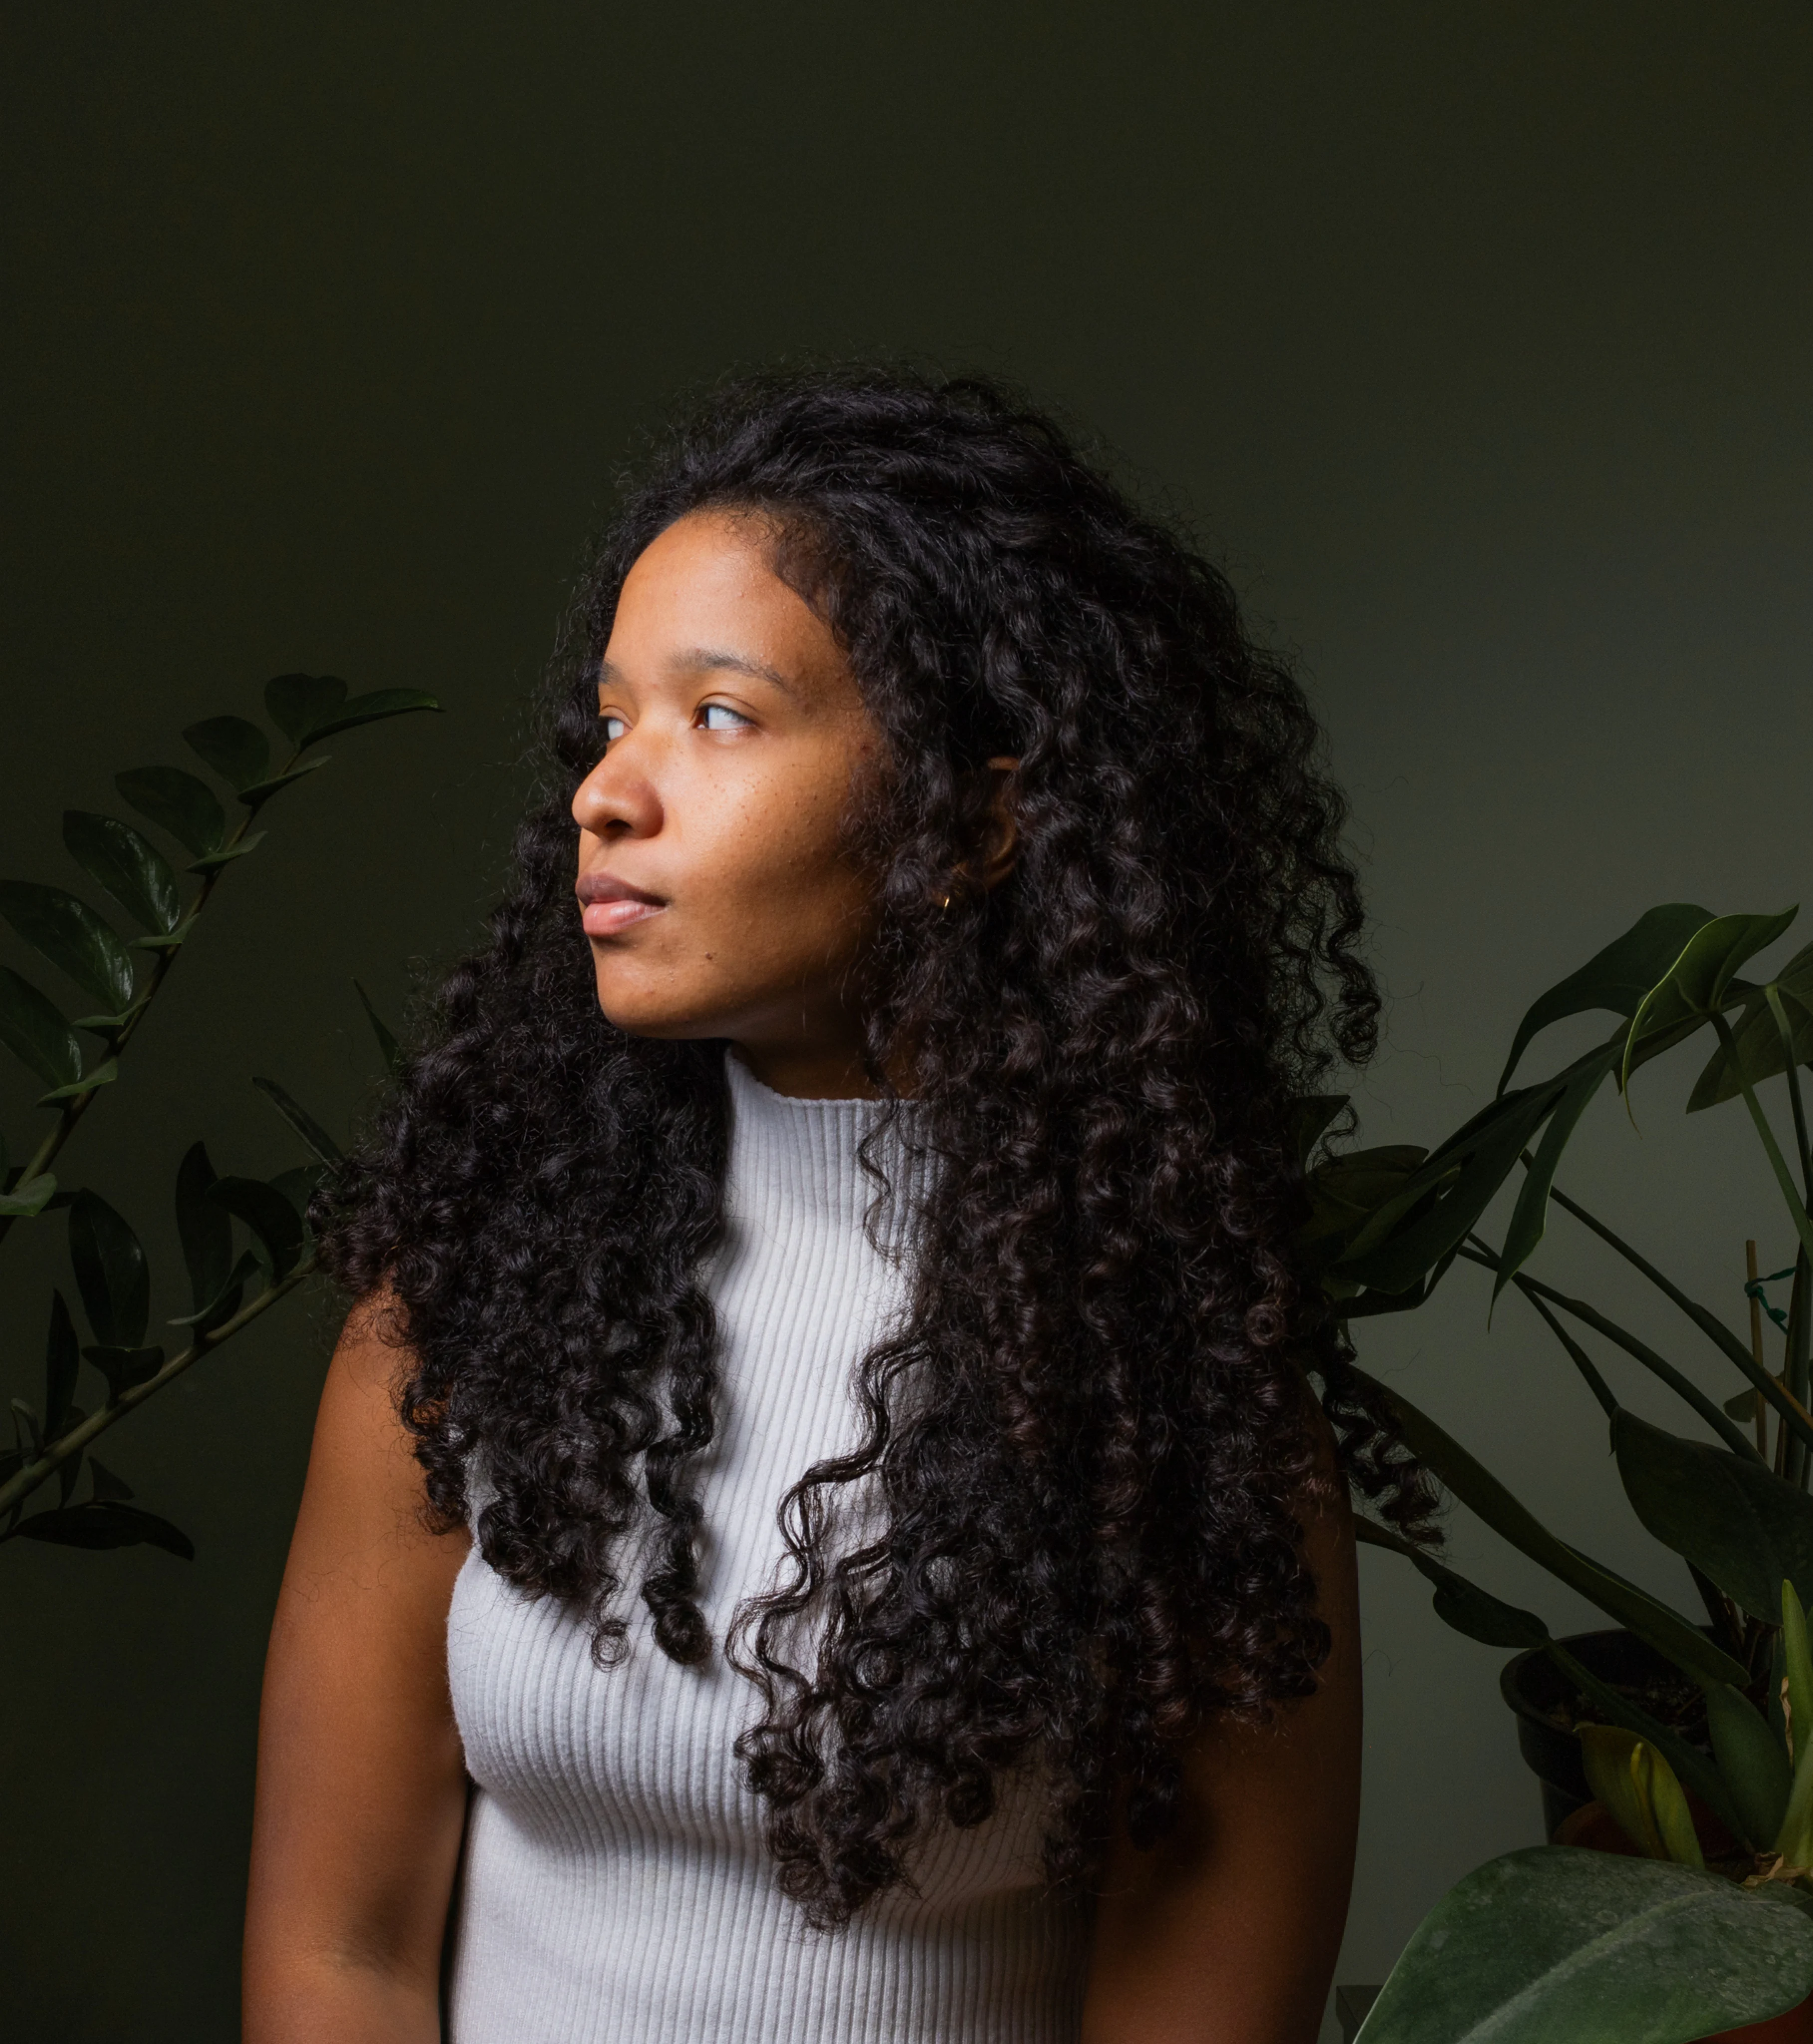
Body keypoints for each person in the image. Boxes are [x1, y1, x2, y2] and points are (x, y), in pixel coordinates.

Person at [242, 368, 1426, 2044]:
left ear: (976, 824)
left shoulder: (1184, 1412)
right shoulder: (468, 1321)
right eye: (610, 721)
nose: (607, 792)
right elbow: (332, 1957)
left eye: (719, 717)